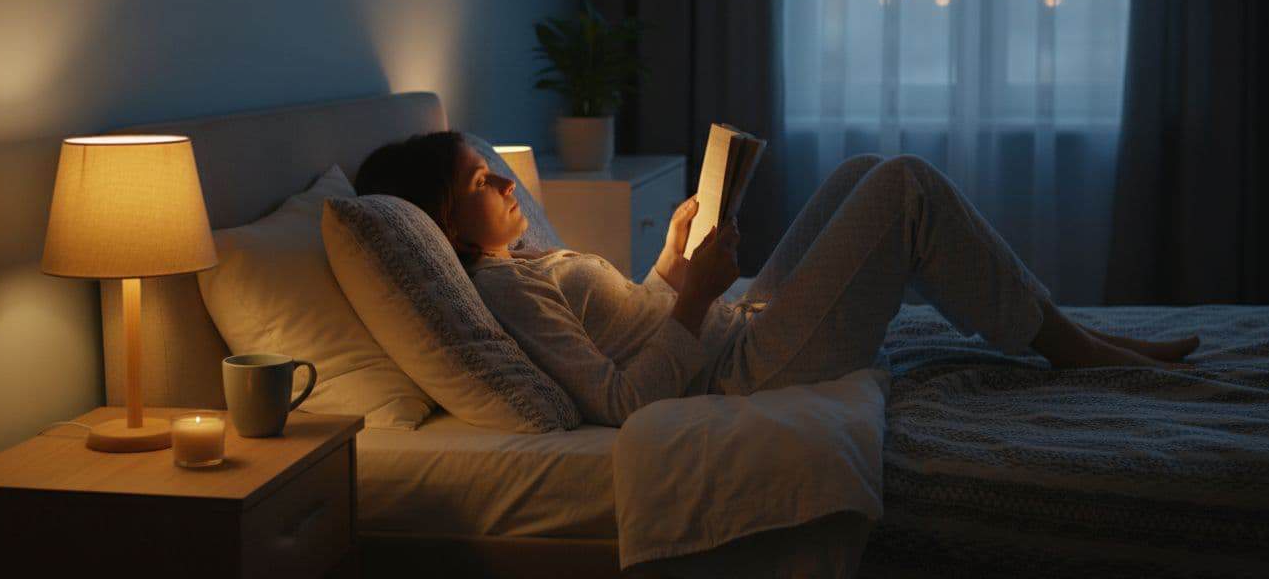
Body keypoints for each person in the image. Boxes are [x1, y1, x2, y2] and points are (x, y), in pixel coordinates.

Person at [356, 131, 1199, 427]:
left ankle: (1064, 331)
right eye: (481, 183)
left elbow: (630, 326)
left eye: (494, 171)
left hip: (734, 331)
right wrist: (694, 297)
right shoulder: (503, 288)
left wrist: (670, 262)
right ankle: (1073, 346)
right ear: (440, 221)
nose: (508, 184)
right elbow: (617, 407)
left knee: (866, 170)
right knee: (902, 186)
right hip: (747, 374)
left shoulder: (522, 260)